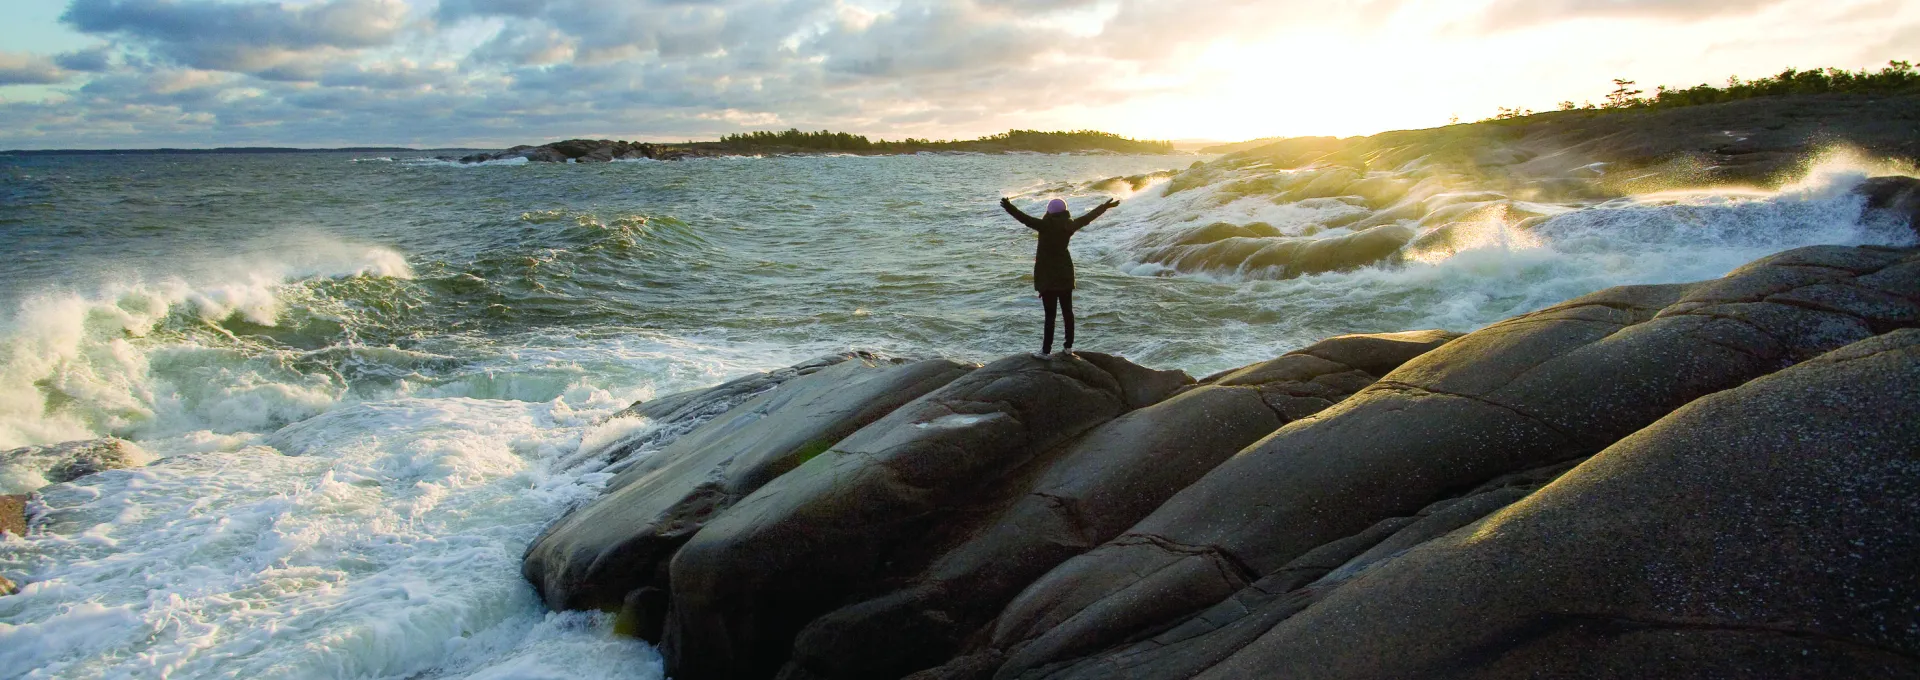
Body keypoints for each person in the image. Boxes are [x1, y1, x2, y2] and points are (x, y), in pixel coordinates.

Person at [999, 195, 1120, 356]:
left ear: (1049, 211)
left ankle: (1045, 352)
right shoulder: (1069, 225)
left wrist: (1008, 206)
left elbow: (1023, 218)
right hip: (1065, 273)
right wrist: (1104, 207)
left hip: (1048, 276)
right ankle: (1068, 347)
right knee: (1068, 312)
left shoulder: (1044, 225)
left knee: (1050, 316)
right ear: (1064, 211)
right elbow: (1088, 218)